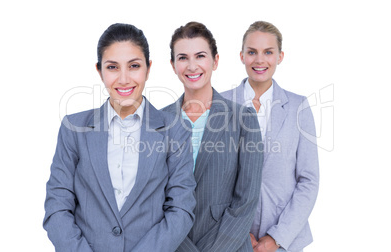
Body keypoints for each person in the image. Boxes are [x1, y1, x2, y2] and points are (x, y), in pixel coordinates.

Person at [43, 23, 196, 252]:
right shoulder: (73, 129)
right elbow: (57, 207)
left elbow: (181, 210)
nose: (124, 79)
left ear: (148, 68)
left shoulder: (175, 130)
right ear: (99, 70)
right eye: (113, 67)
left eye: (134, 66)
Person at [162, 21, 264, 252]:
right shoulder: (156, 123)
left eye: (200, 56)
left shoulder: (243, 119)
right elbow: (151, 202)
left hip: (229, 246)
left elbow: (246, 202)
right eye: (182, 58)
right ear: (173, 64)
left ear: (215, 61)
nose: (192, 66)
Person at [221, 21, 320, 252]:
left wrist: (276, 238)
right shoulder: (219, 104)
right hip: (229, 237)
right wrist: (238, 232)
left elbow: (308, 180)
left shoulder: (299, 107)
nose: (259, 60)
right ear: (241, 56)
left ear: (280, 56)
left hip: (286, 238)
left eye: (268, 52)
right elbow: (211, 178)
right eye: (252, 52)